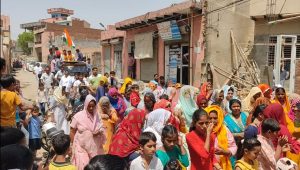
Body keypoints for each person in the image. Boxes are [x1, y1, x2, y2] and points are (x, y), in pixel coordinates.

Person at [70, 95, 106, 170]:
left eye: (93, 106)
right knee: (83, 166)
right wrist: (74, 145)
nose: (91, 108)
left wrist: (98, 132)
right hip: (81, 148)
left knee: (94, 166)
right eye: (89, 106)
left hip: (95, 148)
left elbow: (102, 127)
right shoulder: (78, 116)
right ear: (86, 105)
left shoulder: (97, 116)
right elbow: (72, 131)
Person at [206, 105, 237, 170]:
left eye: (215, 118)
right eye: (210, 118)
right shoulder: (204, 130)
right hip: (207, 164)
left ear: (219, 118)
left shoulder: (225, 129)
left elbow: (233, 146)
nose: (212, 121)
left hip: (223, 165)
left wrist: (225, 152)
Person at [224, 99, 248, 165]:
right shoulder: (226, 119)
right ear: (230, 108)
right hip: (233, 144)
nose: (236, 108)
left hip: (245, 144)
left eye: (238, 106)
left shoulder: (245, 115)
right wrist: (238, 135)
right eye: (234, 106)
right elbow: (225, 133)